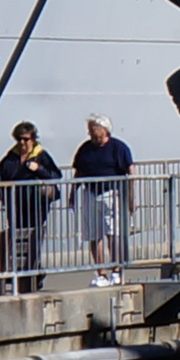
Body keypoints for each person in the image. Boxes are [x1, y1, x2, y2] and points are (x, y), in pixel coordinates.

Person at [0, 121, 64, 277]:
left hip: (36, 203)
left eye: (26, 139)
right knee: (16, 235)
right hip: (15, 202)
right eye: (19, 139)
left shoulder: (41, 155)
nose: (22, 143)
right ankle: (18, 269)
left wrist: (39, 169)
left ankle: (32, 268)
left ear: (33, 139)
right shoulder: (11, 156)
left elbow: (56, 176)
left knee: (33, 235)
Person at [72, 114, 138, 271]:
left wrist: (130, 198)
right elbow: (78, 172)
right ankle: (100, 271)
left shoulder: (118, 147)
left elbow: (130, 171)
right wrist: (72, 194)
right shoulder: (85, 148)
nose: (89, 133)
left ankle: (116, 268)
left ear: (104, 130)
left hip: (111, 193)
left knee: (113, 233)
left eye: (92, 129)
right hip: (90, 193)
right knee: (94, 235)